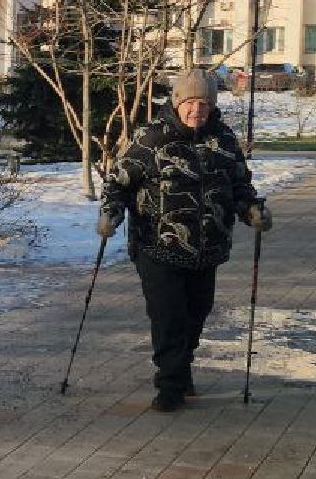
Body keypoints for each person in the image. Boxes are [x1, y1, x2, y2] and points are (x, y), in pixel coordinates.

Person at [98, 69, 271, 411]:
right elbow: (118, 182)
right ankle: (170, 386)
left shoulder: (222, 139)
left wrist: (252, 209)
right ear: (177, 102)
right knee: (169, 316)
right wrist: (111, 213)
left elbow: (239, 184)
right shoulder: (151, 138)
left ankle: (180, 368)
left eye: (203, 104)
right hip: (157, 245)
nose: (196, 111)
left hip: (208, 248)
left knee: (196, 314)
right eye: (190, 102)